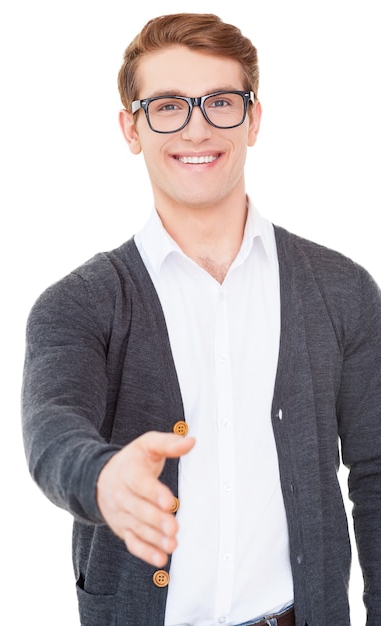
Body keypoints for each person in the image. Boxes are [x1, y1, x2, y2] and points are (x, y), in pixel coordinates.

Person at [21, 12, 381, 626]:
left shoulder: (341, 289)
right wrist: (103, 476)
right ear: (131, 129)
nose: (195, 129)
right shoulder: (77, 303)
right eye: (166, 106)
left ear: (254, 119)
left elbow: (375, 475)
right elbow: (52, 429)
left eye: (220, 102)